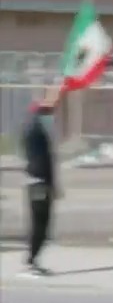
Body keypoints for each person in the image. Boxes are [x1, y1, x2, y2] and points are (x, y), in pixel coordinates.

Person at [19, 86, 64, 278]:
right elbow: (41, 158)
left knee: (43, 224)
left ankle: (33, 260)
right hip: (38, 181)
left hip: (42, 180)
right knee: (39, 223)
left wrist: (54, 185)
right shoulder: (34, 124)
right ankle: (31, 262)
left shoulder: (39, 124)